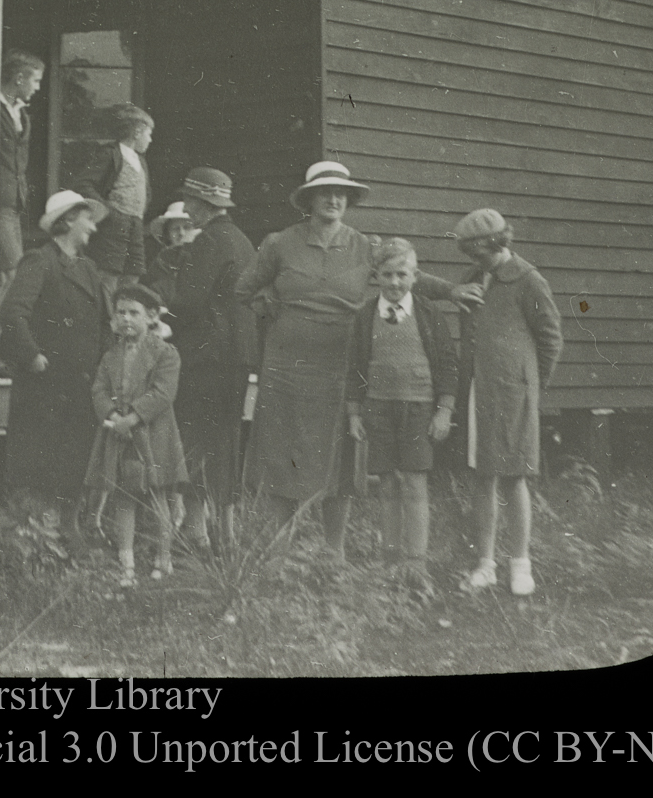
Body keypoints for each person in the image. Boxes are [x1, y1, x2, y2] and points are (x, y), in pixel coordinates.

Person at [236, 162, 464, 559]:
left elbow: (410, 275)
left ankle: (334, 550)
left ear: (349, 200)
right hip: (285, 366)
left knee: (337, 458)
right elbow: (244, 289)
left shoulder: (365, 246)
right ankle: (278, 551)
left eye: (342, 192)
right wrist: (269, 301)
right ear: (309, 199)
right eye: (325, 192)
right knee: (281, 452)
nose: (334, 198)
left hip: (338, 364)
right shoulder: (279, 243)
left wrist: (454, 291)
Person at [450, 208, 563, 597]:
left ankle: (520, 564)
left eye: (479, 252)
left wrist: (532, 386)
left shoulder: (528, 280)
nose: (473, 260)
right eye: (470, 254)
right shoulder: (471, 279)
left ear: (498, 243)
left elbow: (550, 339)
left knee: (515, 476)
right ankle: (484, 564)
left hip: (514, 393)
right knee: (482, 476)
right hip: (477, 393)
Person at [344, 238, 458, 597]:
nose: (395, 283)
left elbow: (448, 364)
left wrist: (444, 409)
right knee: (388, 484)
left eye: (402, 275)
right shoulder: (365, 316)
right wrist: (354, 412)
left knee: (414, 481)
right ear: (376, 275)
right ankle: (389, 560)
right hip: (378, 407)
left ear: (415, 276)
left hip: (418, 407)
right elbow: (354, 367)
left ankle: (416, 562)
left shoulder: (427, 313)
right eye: (388, 275)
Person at [0, 188, 113, 539]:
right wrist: (32, 356)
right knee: (40, 459)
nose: (92, 228)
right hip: (45, 385)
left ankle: (69, 527)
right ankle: (35, 535)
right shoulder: (41, 260)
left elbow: (105, 324)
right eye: (86, 220)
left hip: (82, 383)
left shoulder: (90, 269)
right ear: (66, 222)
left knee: (75, 458)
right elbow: (13, 313)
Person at [164, 168, 257, 549]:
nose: (185, 208)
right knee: (226, 440)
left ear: (203, 204)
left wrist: (160, 313)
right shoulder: (242, 241)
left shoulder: (207, 243)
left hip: (205, 359)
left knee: (195, 441)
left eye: (190, 201)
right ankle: (225, 533)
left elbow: (186, 302)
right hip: (238, 359)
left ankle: (198, 531)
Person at [86, 283, 187, 584]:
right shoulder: (110, 356)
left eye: (134, 313)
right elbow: (99, 389)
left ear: (152, 316)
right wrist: (112, 415)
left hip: (153, 434)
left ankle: (163, 558)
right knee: (124, 497)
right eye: (121, 313)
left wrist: (131, 418)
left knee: (157, 496)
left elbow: (163, 393)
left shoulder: (166, 354)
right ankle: (126, 562)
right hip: (118, 435)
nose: (126, 319)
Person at [75, 103, 154, 296]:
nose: (150, 140)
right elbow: (83, 184)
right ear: (136, 132)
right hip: (112, 227)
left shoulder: (140, 160)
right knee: (107, 276)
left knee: (133, 274)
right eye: (148, 134)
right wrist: (107, 210)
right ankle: (104, 320)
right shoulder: (111, 154)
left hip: (135, 225)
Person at [0, 51, 45, 287]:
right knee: (14, 275)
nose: (38, 87)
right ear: (19, 79)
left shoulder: (22, 114)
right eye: (36, 80)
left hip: (14, 204)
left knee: (6, 277)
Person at [143, 200, 197, 306]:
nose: (181, 233)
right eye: (176, 229)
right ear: (167, 234)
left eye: (186, 228)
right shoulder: (161, 261)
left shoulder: (203, 256)